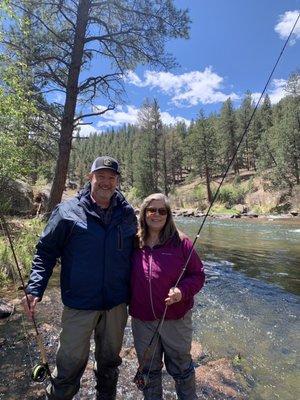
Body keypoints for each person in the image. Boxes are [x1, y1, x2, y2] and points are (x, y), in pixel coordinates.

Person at [22, 156, 137, 400]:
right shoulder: (67, 212)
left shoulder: (127, 214)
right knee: (69, 365)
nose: (106, 182)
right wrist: (34, 288)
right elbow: (46, 251)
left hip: (116, 304)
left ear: (117, 181)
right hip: (79, 304)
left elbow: (141, 251)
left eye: (111, 178)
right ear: (90, 177)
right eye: (101, 176)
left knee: (109, 363)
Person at [130, 193, 205, 400]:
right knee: (149, 369)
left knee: (182, 368)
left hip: (176, 319)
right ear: (143, 213)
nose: (156, 214)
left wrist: (182, 291)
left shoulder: (182, 243)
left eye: (162, 211)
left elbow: (198, 275)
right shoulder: (134, 242)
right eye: (151, 210)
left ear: (169, 214)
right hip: (142, 319)